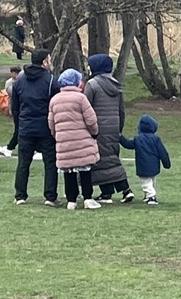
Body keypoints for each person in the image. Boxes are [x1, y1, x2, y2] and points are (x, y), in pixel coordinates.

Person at [10, 48, 60, 205]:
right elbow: (55, 105)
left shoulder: (19, 80)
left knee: (23, 163)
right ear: (44, 62)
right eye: (49, 59)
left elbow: (15, 108)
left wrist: (19, 125)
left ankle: (20, 195)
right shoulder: (51, 81)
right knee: (50, 163)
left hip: (26, 127)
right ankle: (50, 196)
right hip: (45, 128)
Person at [48, 69, 101, 210]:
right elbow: (91, 120)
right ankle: (87, 198)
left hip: (64, 141)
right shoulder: (81, 98)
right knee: (85, 169)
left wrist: (57, 135)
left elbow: (51, 123)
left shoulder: (54, 100)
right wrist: (94, 133)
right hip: (82, 140)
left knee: (68, 170)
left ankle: (71, 200)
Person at [85, 53, 133, 203]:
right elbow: (121, 110)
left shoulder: (92, 85)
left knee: (99, 160)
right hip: (113, 127)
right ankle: (114, 191)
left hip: (97, 128)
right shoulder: (116, 85)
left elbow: (86, 107)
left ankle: (115, 191)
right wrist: (119, 128)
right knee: (111, 159)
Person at [119, 114, 172, 205]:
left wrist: (120, 137)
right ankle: (149, 196)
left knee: (146, 183)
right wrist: (166, 163)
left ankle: (151, 196)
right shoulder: (156, 139)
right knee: (152, 181)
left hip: (143, 166)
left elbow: (128, 144)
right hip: (154, 165)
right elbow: (163, 152)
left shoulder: (138, 139)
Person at [0, 65, 21, 157]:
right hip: (14, 108)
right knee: (18, 129)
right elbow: (12, 92)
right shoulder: (9, 83)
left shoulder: (22, 80)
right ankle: (9, 147)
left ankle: (9, 148)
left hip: (21, 109)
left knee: (19, 130)